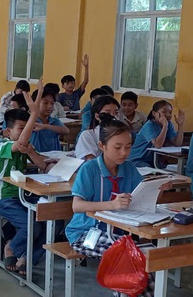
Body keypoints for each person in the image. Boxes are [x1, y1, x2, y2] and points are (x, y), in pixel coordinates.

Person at [66, 118, 167, 296]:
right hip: (86, 233)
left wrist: (157, 189)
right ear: (102, 146)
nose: (124, 153)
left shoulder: (128, 168)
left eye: (128, 147)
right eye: (117, 147)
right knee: (126, 259)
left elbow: (140, 197)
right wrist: (112, 204)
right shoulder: (89, 169)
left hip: (119, 234)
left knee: (152, 257)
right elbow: (77, 206)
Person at [0, 79, 49, 275]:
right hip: (4, 198)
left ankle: (26, 258)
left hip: (22, 197)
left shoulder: (25, 146)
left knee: (48, 223)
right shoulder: (4, 145)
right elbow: (21, 142)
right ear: (8, 132)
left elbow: (42, 165)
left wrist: (35, 154)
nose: (26, 132)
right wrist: (34, 113)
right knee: (31, 225)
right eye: (21, 128)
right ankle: (12, 248)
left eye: (29, 127)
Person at [129, 100, 185, 167]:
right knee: (152, 172)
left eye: (170, 112)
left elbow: (177, 143)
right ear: (154, 113)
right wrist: (165, 126)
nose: (167, 115)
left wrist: (180, 125)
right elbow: (158, 145)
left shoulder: (169, 124)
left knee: (167, 170)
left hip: (153, 159)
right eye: (164, 112)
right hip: (137, 159)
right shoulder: (149, 125)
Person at [29, 88, 69, 152]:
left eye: (52, 103)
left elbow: (66, 130)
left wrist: (44, 126)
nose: (50, 106)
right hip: (36, 157)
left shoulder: (54, 120)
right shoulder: (30, 120)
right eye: (45, 103)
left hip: (53, 157)